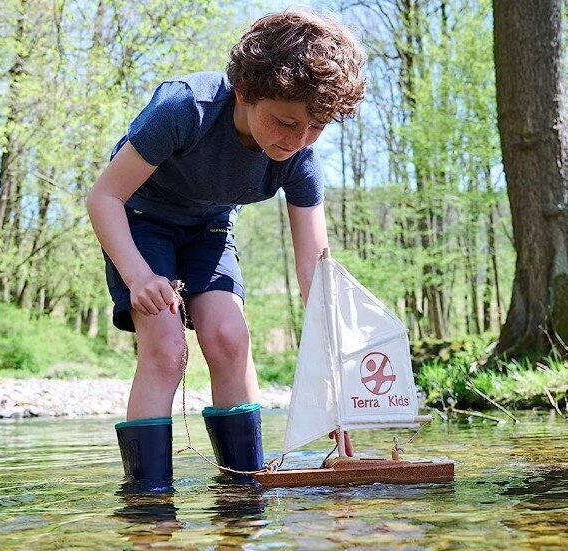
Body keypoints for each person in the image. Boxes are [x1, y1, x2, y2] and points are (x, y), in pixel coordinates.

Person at [87, 9, 365, 488]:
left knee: (230, 339)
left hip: (210, 227)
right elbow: (104, 197)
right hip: (140, 220)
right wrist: (138, 276)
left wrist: (335, 379)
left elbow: (314, 273)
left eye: (315, 127)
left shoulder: (300, 162)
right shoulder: (184, 109)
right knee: (167, 347)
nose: (297, 140)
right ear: (245, 92)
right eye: (284, 122)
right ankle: (148, 497)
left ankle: (245, 486)